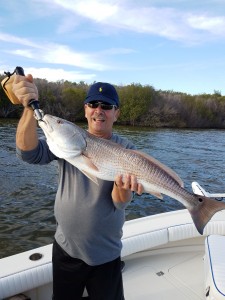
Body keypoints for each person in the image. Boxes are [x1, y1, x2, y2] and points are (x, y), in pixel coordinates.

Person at [13, 75, 143, 300]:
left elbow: (120, 202)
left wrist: (123, 188)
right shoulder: (65, 143)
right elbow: (28, 153)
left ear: (116, 113)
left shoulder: (126, 150)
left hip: (106, 254)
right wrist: (28, 107)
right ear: (85, 110)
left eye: (106, 106)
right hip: (66, 250)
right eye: (93, 104)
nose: (98, 110)